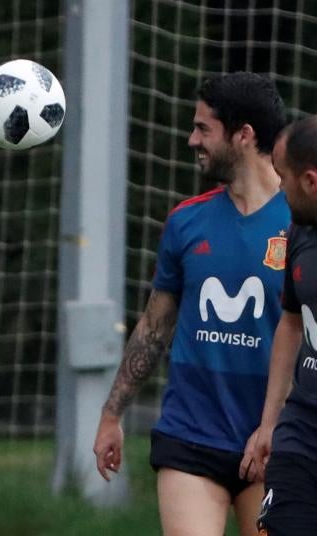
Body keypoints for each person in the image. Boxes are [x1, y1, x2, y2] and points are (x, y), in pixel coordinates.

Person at [92, 72, 289, 536]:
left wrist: (278, 425)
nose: (191, 140)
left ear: (243, 135)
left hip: (276, 441)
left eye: (203, 128)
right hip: (191, 433)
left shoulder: (302, 223)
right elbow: (154, 326)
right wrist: (111, 414)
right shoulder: (186, 222)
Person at [251, 116, 317, 535]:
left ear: (310, 181)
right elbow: (292, 323)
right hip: (302, 435)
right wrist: (270, 421)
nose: (278, 188)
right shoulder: (299, 232)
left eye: (283, 177)